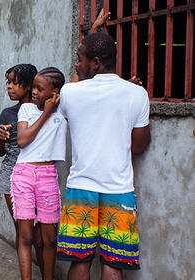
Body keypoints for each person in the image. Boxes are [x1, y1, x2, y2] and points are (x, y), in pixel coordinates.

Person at [56, 32, 151, 280]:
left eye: (79, 59)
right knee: (113, 264)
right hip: (119, 190)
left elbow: (70, 114)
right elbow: (140, 146)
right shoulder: (137, 94)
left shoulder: (69, 92)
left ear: (95, 62)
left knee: (79, 261)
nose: (76, 64)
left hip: (80, 189)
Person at [11, 67, 67, 280]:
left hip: (48, 175)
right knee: (26, 237)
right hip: (23, 174)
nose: (34, 92)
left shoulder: (63, 110)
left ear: (55, 92)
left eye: (40, 89)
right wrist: (45, 113)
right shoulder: (26, 109)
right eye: (33, 86)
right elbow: (22, 140)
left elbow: (79, 81)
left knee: (50, 239)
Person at [0, 63, 46, 275]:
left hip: (37, 176)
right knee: (25, 233)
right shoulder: (7, 113)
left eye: (15, 83)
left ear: (28, 86)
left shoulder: (43, 110)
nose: (9, 87)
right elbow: (0, 152)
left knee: (41, 237)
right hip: (11, 175)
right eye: (8, 83)